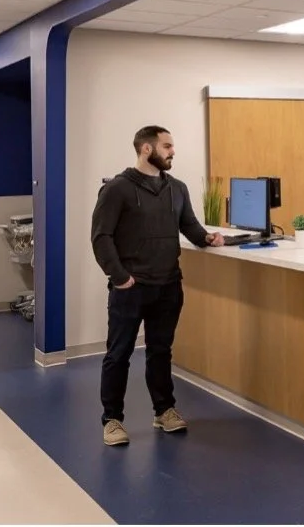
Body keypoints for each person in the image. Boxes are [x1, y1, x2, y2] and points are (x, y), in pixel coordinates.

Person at [90, 126, 224, 447]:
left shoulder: (177, 188)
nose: (172, 151)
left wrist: (207, 238)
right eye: (167, 146)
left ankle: (164, 411)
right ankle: (112, 419)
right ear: (146, 149)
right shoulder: (117, 189)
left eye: (172, 146)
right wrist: (119, 276)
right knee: (118, 354)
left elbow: (189, 226)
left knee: (161, 351)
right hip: (130, 288)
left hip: (168, 285)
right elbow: (101, 237)